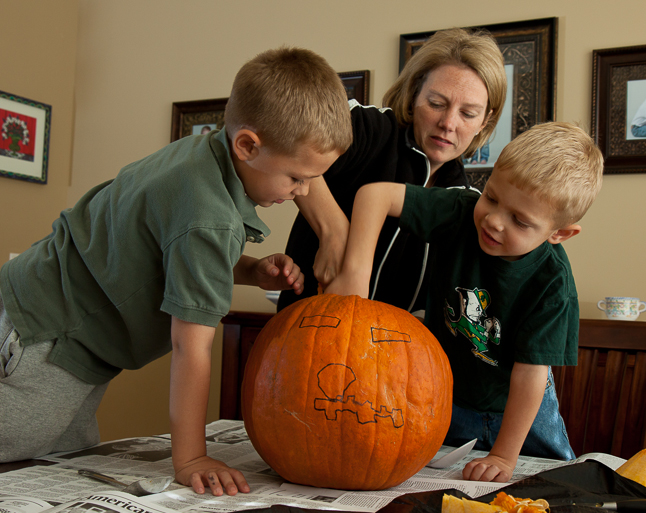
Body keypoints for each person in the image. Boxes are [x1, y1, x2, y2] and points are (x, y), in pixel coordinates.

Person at [0, 47, 352, 496]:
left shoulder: (202, 155)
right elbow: (191, 348)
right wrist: (190, 457)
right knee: (16, 441)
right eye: (297, 178)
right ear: (247, 145)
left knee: (65, 452)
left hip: (69, 325)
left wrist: (249, 271)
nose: (302, 192)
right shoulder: (210, 216)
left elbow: (170, 254)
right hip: (53, 328)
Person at [326, 122, 604, 482]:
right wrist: (356, 274)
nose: (493, 220)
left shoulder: (553, 285)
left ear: (559, 233)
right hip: (447, 397)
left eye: (519, 220)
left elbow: (530, 376)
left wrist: (504, 455)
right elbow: (374, 196)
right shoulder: (460, 212)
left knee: (545, 489)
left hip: (520, 411)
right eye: (491, 196)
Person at [278, 28, 507, 314]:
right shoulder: (367, 128)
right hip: (306, 330)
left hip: (392, 352)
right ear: (413, 94)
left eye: (468, 114)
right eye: (436, 103)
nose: (448, 123)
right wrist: (332, 230)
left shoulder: (464, 201)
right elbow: (288, 144)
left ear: (485, 121)